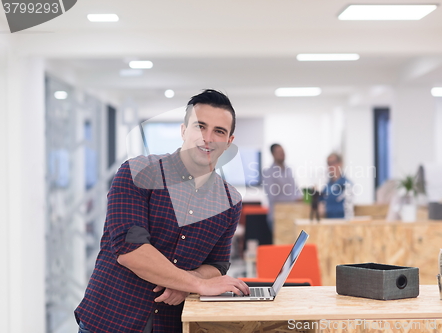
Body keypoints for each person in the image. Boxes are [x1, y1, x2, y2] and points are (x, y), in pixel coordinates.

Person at [74, 89, 249, 333]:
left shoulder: (230, 200)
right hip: (111, 320)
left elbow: (217, 265)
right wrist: (196, 284)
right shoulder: (137, 172)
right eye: (200, 126)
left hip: (171, 324)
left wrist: (186, 283)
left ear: (229, 141)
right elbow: (130, 250)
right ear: (183, 130)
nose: (207, 138)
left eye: (219, 131)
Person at [262, 144, 301, 231]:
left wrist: (300, 197)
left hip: (292, 215)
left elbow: (296, 189)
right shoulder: (268, 172)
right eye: (279, 152)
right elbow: (273, 197)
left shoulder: (289, 170)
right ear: (273, 154)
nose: (282, 154)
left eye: (283, 152)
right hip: (277, 217)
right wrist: (295, 198)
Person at [321, 152, 350, 218]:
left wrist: (326, 209)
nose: (331, 166)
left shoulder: (347, 184)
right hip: (328, 223)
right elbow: (321, 199)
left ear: (340, 163)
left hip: (342, 223)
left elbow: (347, 208)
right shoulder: (327, 186)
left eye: (333, 163)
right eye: (329, 163)